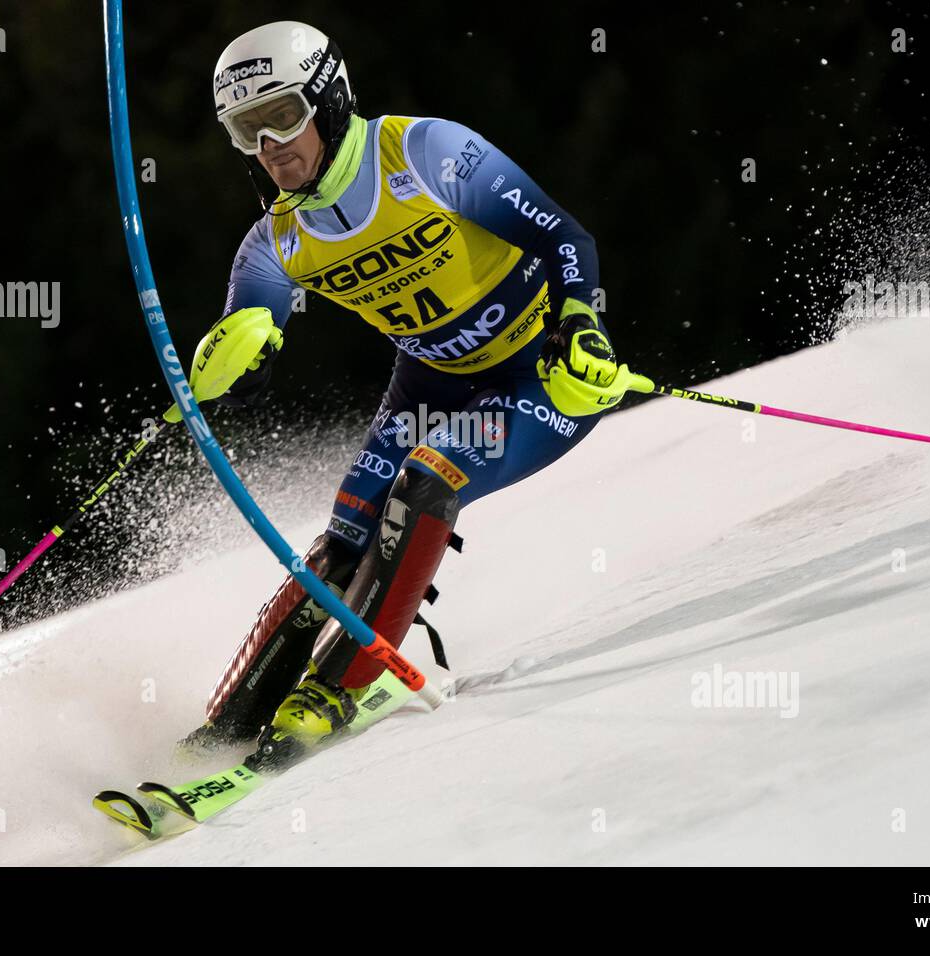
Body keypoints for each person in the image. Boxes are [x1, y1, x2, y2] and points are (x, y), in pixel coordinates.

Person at [181, 20, 636, 769]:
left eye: (283, 116)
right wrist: (237, 364)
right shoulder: (277, 239)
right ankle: (232, 719)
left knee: (427, 479)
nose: (271, 148)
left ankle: (342, 686)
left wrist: (582, 322)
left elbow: (566, 240)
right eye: (246, 131)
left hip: (538, 379)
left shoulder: (425, 155)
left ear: (328, 99)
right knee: (346, 539)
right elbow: (245, 327)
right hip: (428, 383)